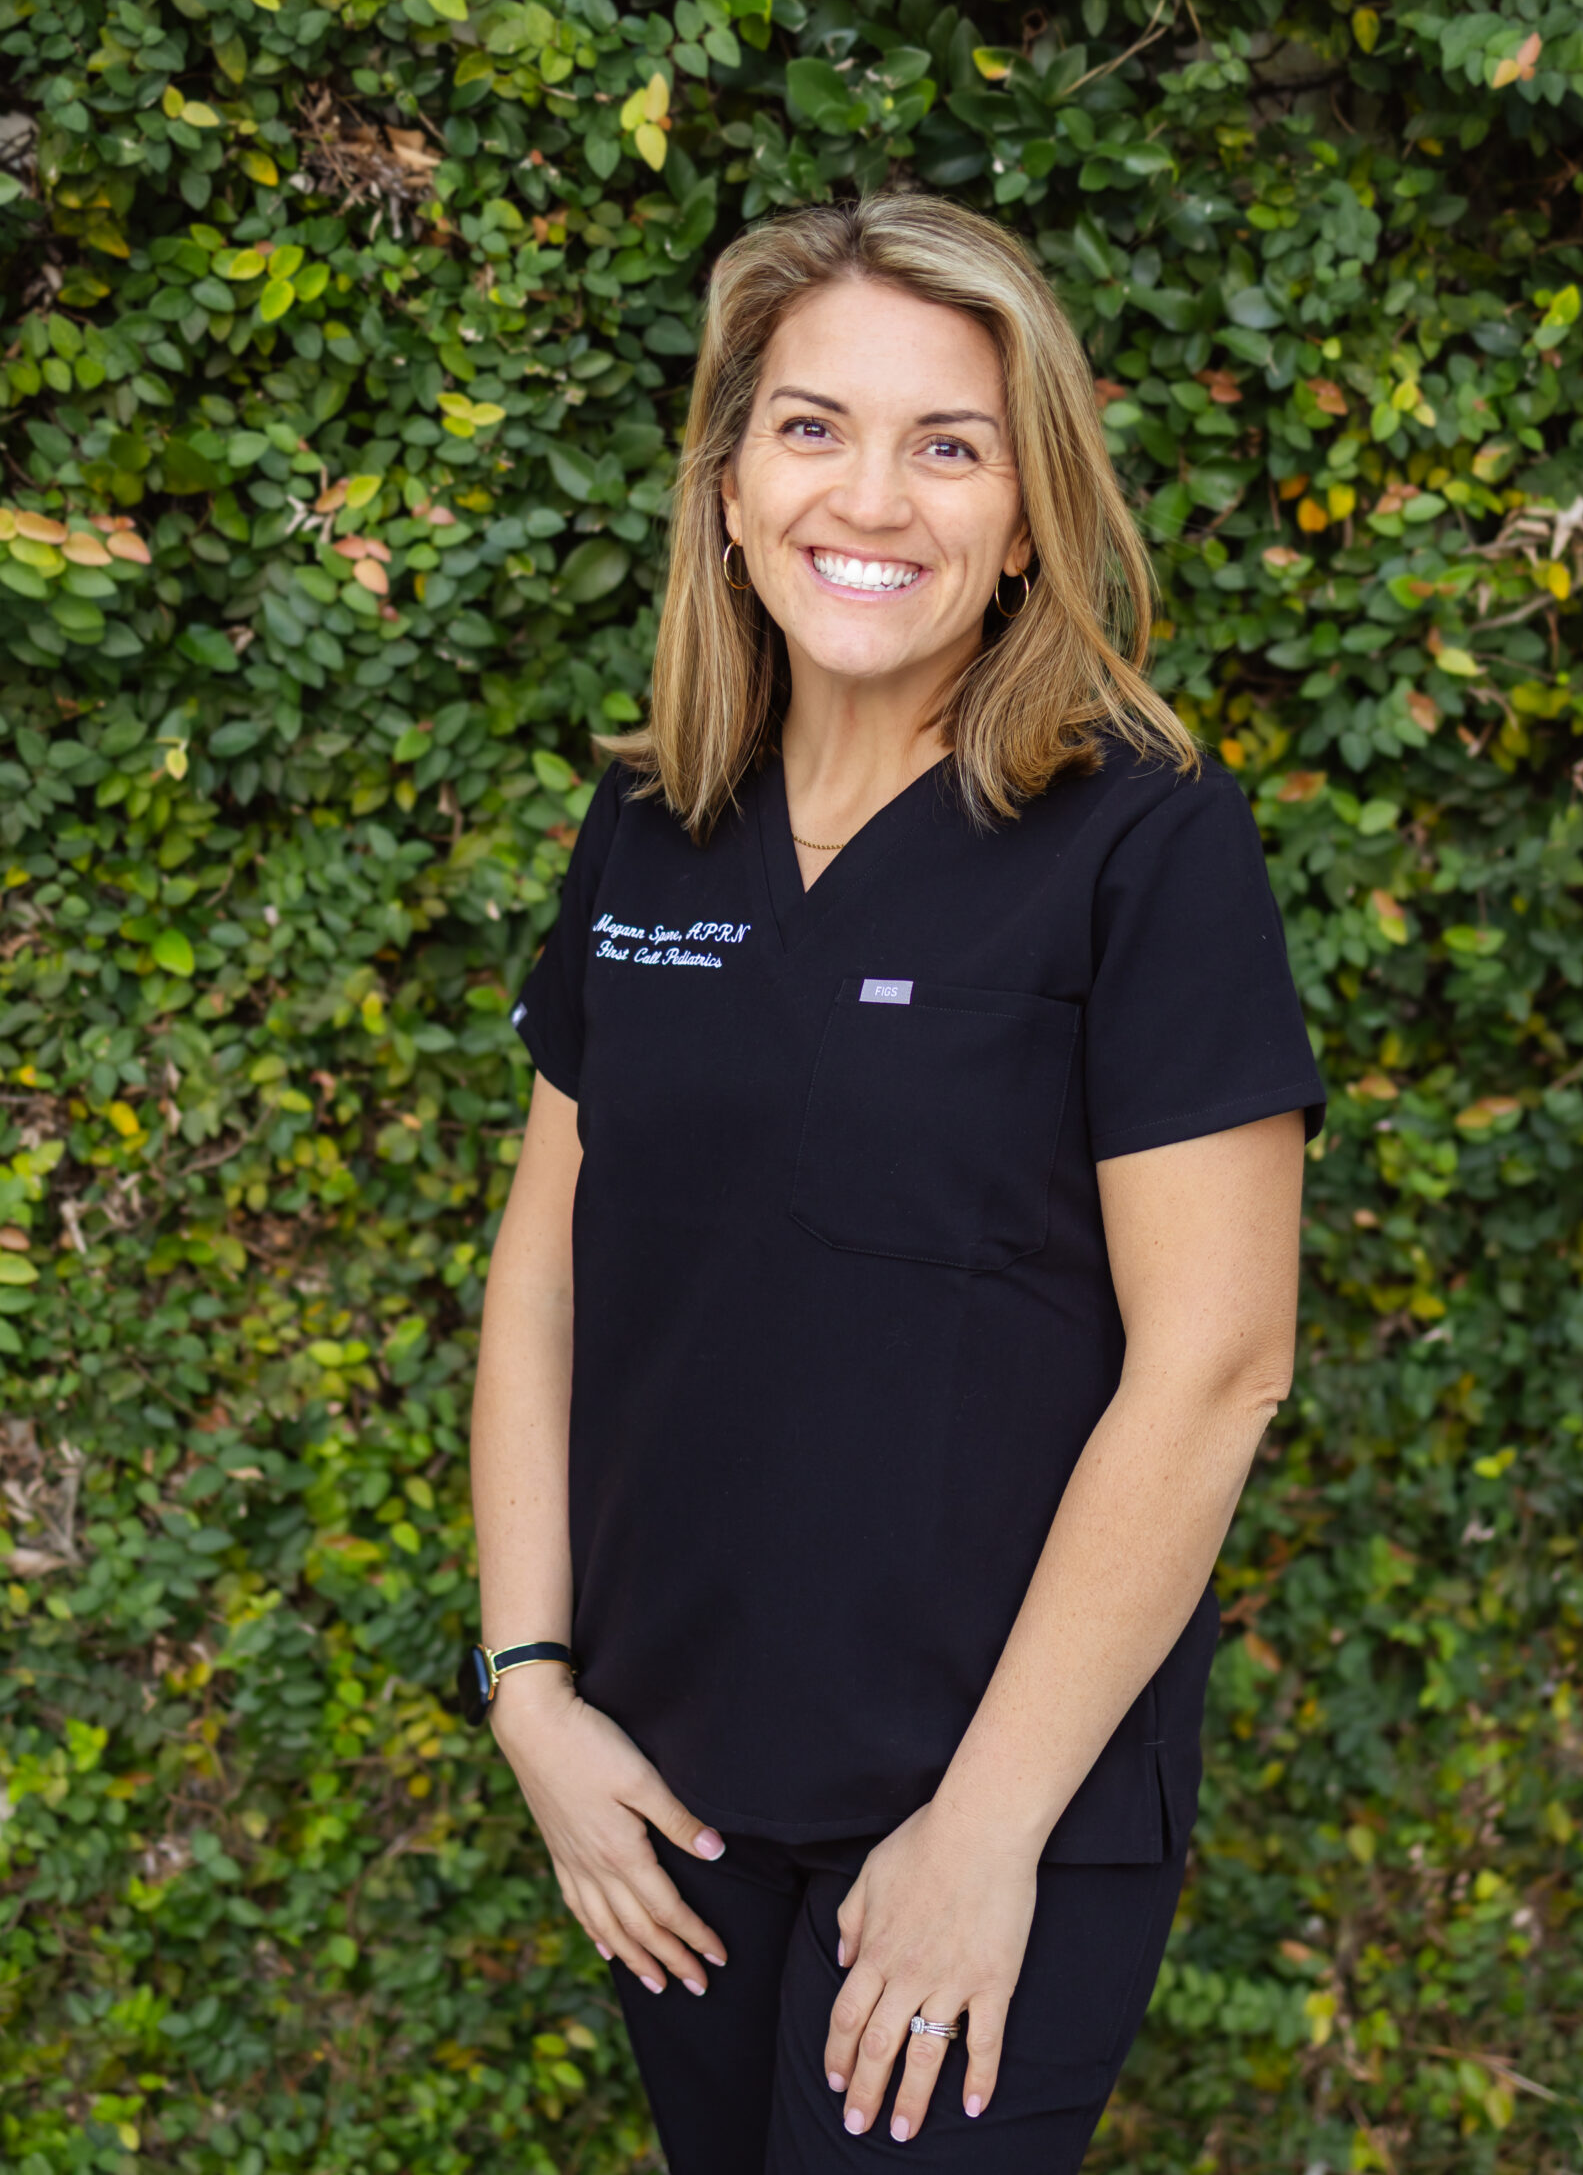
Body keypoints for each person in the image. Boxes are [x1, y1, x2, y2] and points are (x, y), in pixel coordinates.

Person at [467, 191, 1325, 2172]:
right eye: (811, 425)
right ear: (732, 480)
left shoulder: (1140, 836)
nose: (874, 495)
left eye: (949, 443)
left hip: (976, 1803)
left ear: (1027, 511)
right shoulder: (652, 821)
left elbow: (1217, 1363)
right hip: (667, 1796)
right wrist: (528, 1686)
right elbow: (547, 1260)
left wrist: (980, 1830)